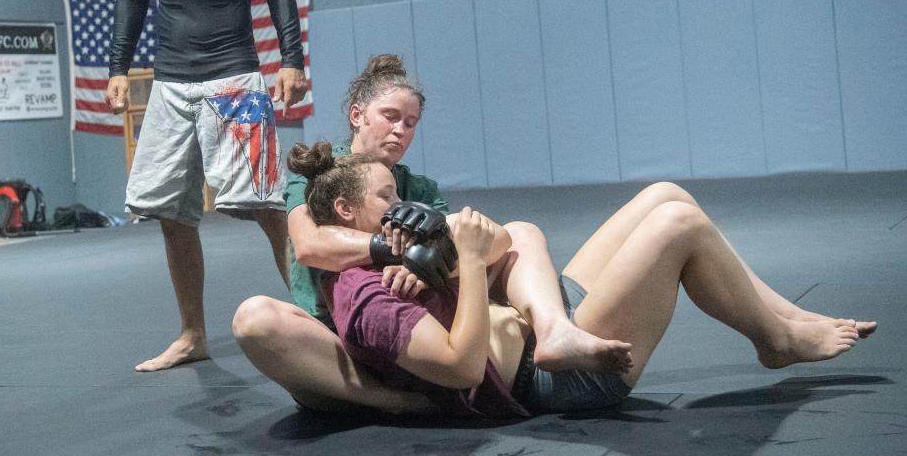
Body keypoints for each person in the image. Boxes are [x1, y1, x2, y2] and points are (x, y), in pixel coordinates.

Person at [279, 142, 876, 416]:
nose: (401, 203)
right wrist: (460, 260)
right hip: (555, 383)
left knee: (665, 193)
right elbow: (461, 369)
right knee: (677, 225)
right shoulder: (363, 295)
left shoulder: (399, 260)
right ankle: (775, 341)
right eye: (388, 196)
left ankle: (787, 319)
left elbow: (508, 243)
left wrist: (452, 266)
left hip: (550, 328)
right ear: (347, 214)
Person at [234, 54, 629, 412]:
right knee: (256, 318)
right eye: (390, 116)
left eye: (410, 123)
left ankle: (552, 330)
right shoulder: (319, 175)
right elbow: (309, 246)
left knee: (520, 233)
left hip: (410, 328)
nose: (400, 130)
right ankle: (388, 401)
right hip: (339, 344)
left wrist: (434, 266)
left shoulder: (419, 188)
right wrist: (405, 253)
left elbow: (473, 244)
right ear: (357, 115)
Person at [106, 0, 308, 372]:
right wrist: (118, 66)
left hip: (236, 79)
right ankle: (192, 333)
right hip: (170, 83)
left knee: (269, 204)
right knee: (172, 212)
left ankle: (317, 318)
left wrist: (290, 57)